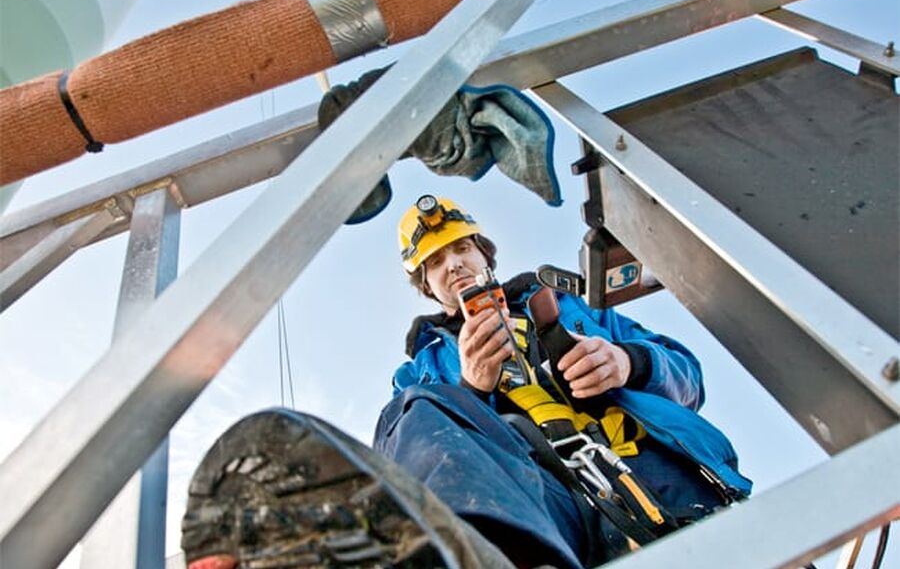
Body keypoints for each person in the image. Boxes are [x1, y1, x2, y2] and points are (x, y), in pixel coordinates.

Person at [181, 195, 752, 569]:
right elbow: (411, 452)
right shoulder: (422, 372)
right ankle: (468, 554)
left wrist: (628, 363)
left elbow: (687, 375)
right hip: (533, 505)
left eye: (460, 249)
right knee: (415, 410)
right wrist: (473, 390)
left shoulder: (575, 310)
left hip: (660, 478)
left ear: (485, 256)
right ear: (426, 286)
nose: (452, 265)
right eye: (434, 262)